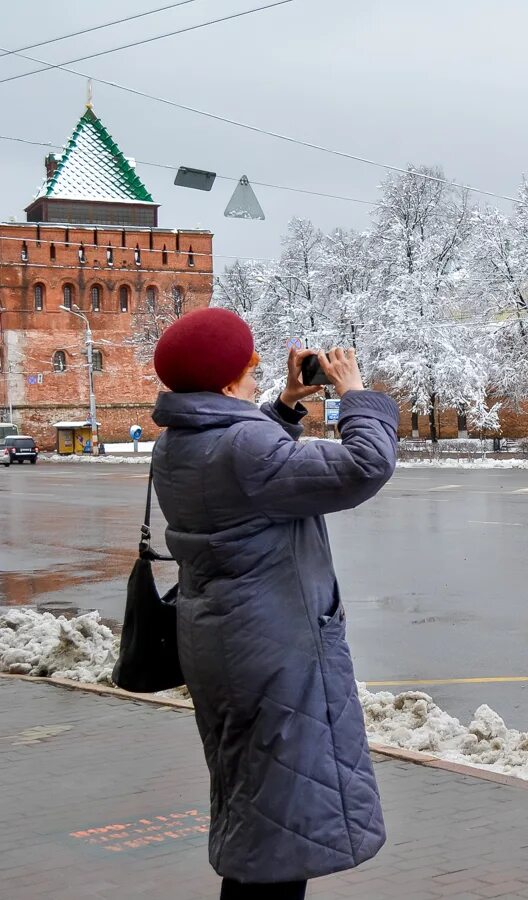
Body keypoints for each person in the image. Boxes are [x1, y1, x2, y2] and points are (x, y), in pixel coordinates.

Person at [149, 308, 398, 900]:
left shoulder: (178, 445)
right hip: (274, 651)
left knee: (257, 805)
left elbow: (253, 469)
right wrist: (355, 395)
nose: (257, 373)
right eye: (252, 365)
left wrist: (286, 404)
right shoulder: (243, 448)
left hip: (224, 641)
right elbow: (367, 466)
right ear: (232, 378)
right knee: (280, 831)